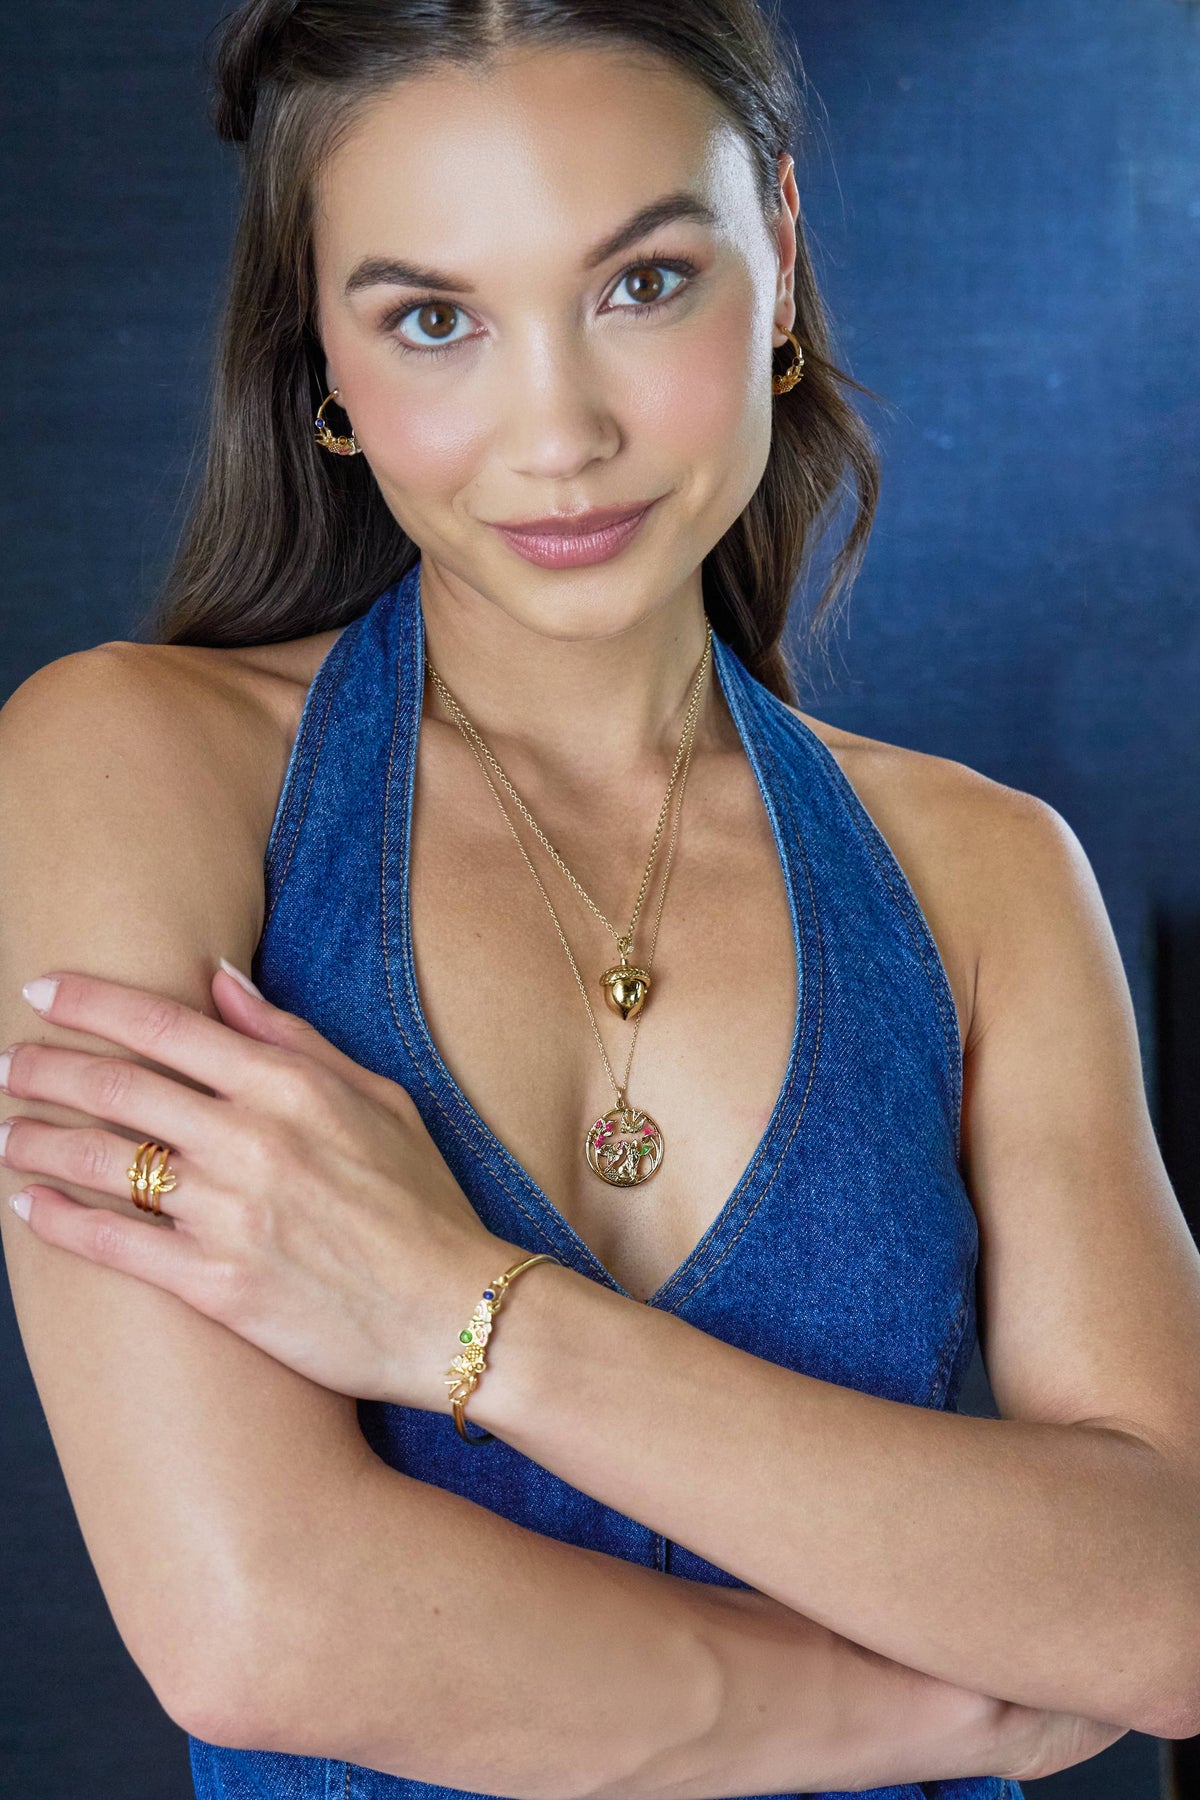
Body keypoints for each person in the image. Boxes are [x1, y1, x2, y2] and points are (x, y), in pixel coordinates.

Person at [1, 1, 1195, 1795]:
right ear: (321, 359)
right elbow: (260, 1625)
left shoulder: (984, 874)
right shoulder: (132, 766)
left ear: (778, 257)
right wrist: (946, 1705)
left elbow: (1169, 1602)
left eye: (642, 284)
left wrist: (453, 1313)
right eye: (432, 320)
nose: (558, 432)